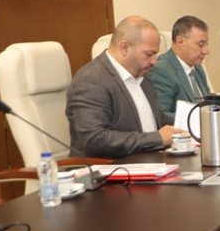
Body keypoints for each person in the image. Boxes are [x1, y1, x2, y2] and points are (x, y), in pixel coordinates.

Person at [67, 16, 183, 157]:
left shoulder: (142, 75)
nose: (154, 61)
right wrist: (157, 138)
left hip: (149, 160)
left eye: (155, 55)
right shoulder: (90, 80)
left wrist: (187, 124)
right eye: (149, 54)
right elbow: (95, 139)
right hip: (111, 166)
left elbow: (154, 118)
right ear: (124, 47)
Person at [149, 15, 211, 125]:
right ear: (180, 42)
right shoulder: (162, 70)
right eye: (201, 44)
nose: (206, 51)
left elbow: (208, 105)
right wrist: (200, 118)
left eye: (206, 44)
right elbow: (161, 116)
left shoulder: (197, 68)